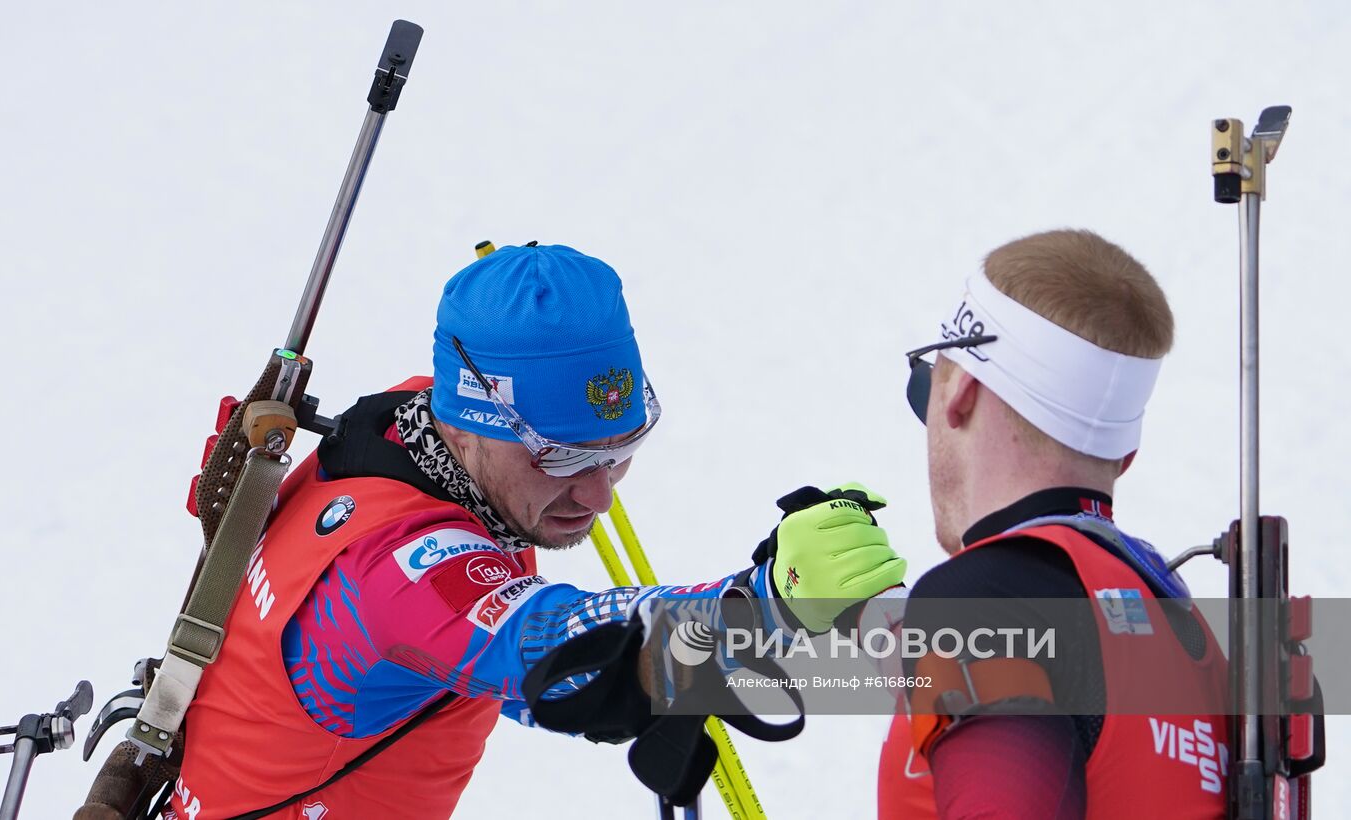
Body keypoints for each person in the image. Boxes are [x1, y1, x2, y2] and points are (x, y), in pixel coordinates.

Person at [97, 243, 903, 820]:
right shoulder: (394, 577)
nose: (596, 495)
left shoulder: (404, 428)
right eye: (561, 456)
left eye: (620, 454)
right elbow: (553, 650)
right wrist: (765, 605)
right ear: (475, 418)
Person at [877, 229, 1230, 819]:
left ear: (961, 392)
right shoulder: (1182, 633)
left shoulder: (985, 598)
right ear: (1125, 456)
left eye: (927, 392)